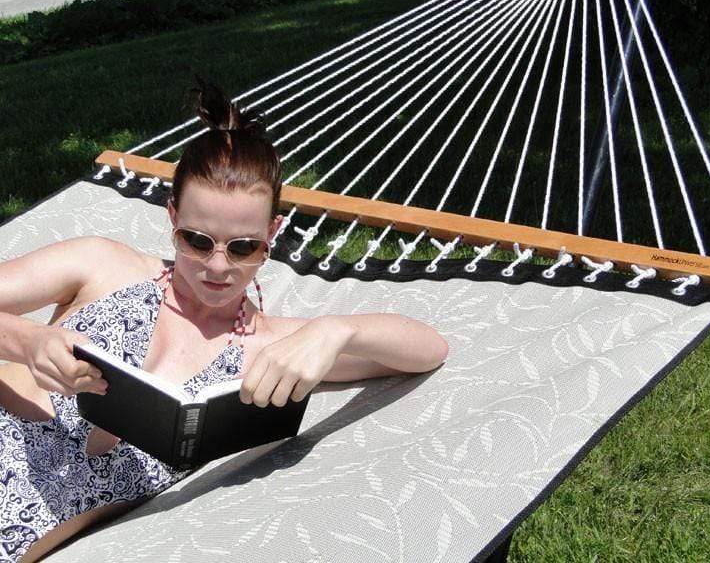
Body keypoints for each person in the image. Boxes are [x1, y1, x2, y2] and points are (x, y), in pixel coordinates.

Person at [0, 81, 449, 562]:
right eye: (195, 240)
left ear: (272, 234)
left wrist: (336, 330)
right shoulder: (103, 266)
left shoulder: (270, 352)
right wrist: (28, 341)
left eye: (243, 247)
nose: (217, 267)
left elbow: (429, 349)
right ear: (171, 217)